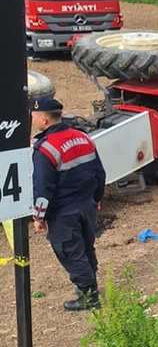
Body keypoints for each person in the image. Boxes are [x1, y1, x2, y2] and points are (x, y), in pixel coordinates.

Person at [30, 96, 106, 311]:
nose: (33, 120)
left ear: (44, 119)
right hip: (87, 205)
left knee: (70, 251)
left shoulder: (45, 149)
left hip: (64, 211)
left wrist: (39, 217)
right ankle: (89, 286)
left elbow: (43, 189)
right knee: (85, 247)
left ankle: (89, 297)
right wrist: (97, 198)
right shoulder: (83, 137)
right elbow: (99, 172)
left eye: (34, 116)